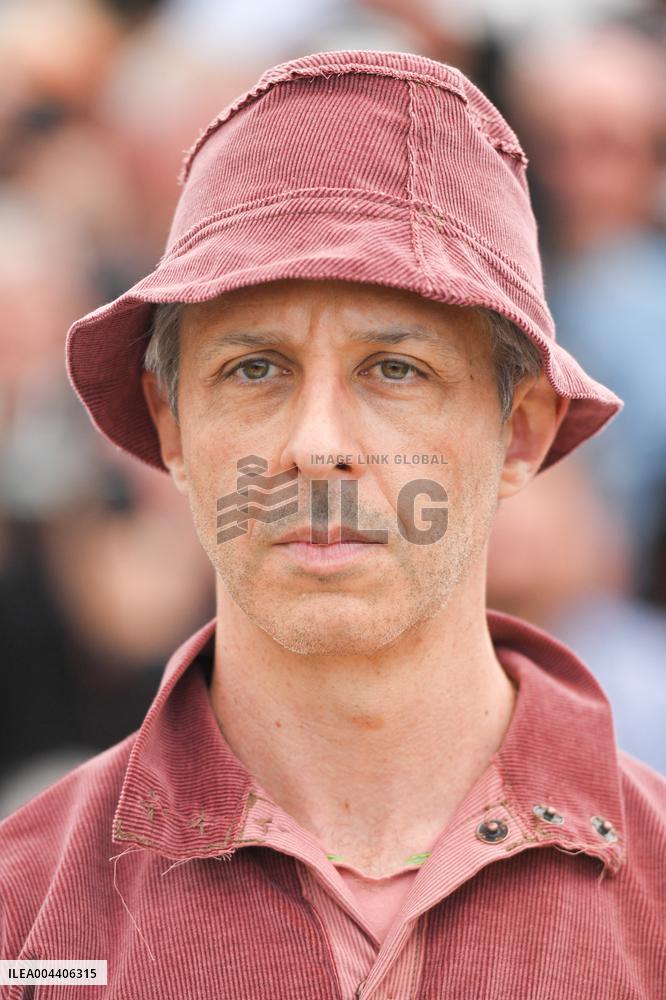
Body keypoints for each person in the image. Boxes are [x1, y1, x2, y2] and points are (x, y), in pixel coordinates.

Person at [0, 49, 664, 999]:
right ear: (172, 426)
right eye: (254, 368)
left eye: (395, 369)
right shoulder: (24, 924)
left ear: (519, 434)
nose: (317, 447)